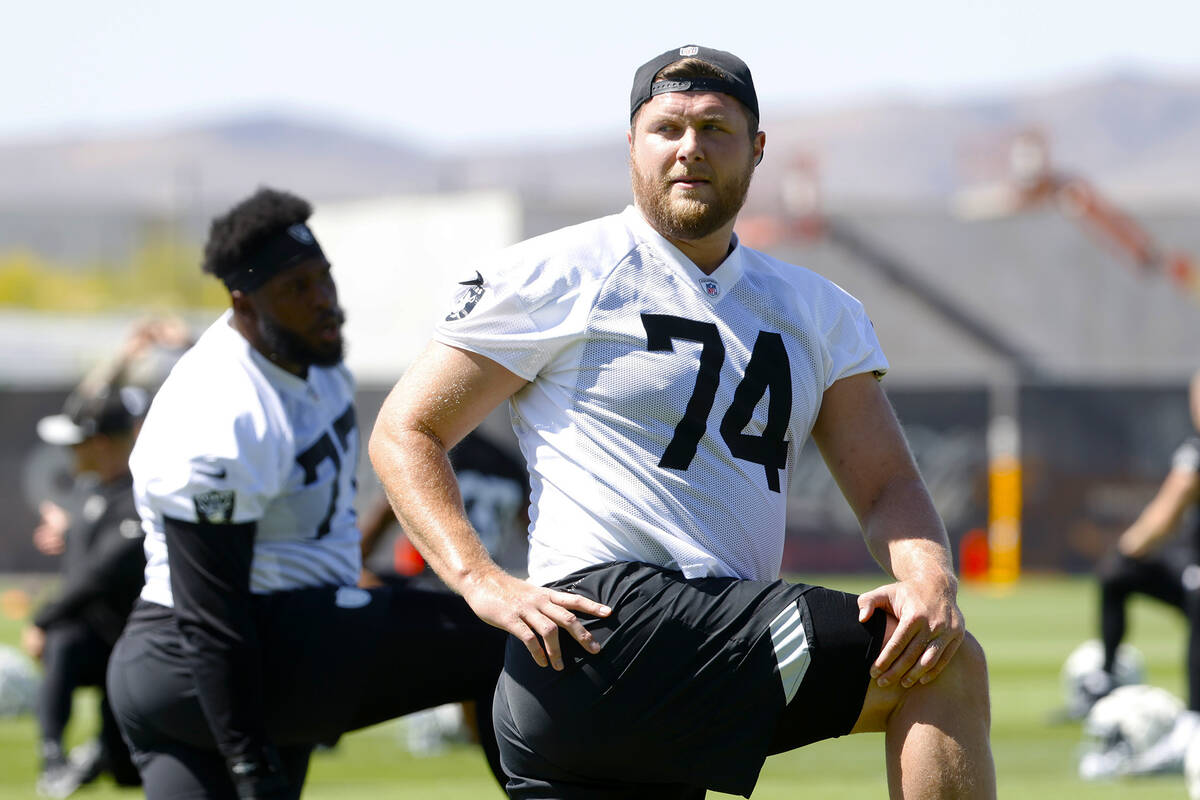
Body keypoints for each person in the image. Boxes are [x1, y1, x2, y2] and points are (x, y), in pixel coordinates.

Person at [369, 44, 997, 799]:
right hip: (611, 622)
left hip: (636, 674)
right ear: (631, 143)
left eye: (715, 128)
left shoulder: (817, 310)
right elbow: (405, 431)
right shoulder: (560, 271)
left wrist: (928, 577)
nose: (690, 148)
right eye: (667, 128)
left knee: (932, 629)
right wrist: (481, 581)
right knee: (944, 663)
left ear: (758, 148)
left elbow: (887, 482)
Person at [105, 187, 508, 800]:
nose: (325, 304)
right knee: (506, 634)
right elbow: (213, 614)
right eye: (297, 289)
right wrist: (250, 762)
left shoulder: (307, 358)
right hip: (216, 659)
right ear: (244, 304)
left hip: (267, 649)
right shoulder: (219, 411)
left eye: (325, 280)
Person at [25, 385, 149, 798]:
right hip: (94, 638)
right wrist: (71, 530)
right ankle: (54, 759)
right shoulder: (91, 490)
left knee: (128, 774)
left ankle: (101, 752)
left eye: (76, 444)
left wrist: (41, 618)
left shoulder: (141, 492)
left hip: (137, 642)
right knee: (64, 642)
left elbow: (101, 573)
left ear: (98, 444)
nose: (70, 453)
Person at [1083, 370, 1200, 772]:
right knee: (1117, 573)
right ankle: (1107, 675)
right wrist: (1127, 551)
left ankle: (1193, 728)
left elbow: (1168, 511)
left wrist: (1132, 544)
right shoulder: (1195, 447)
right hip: (1188, 566)